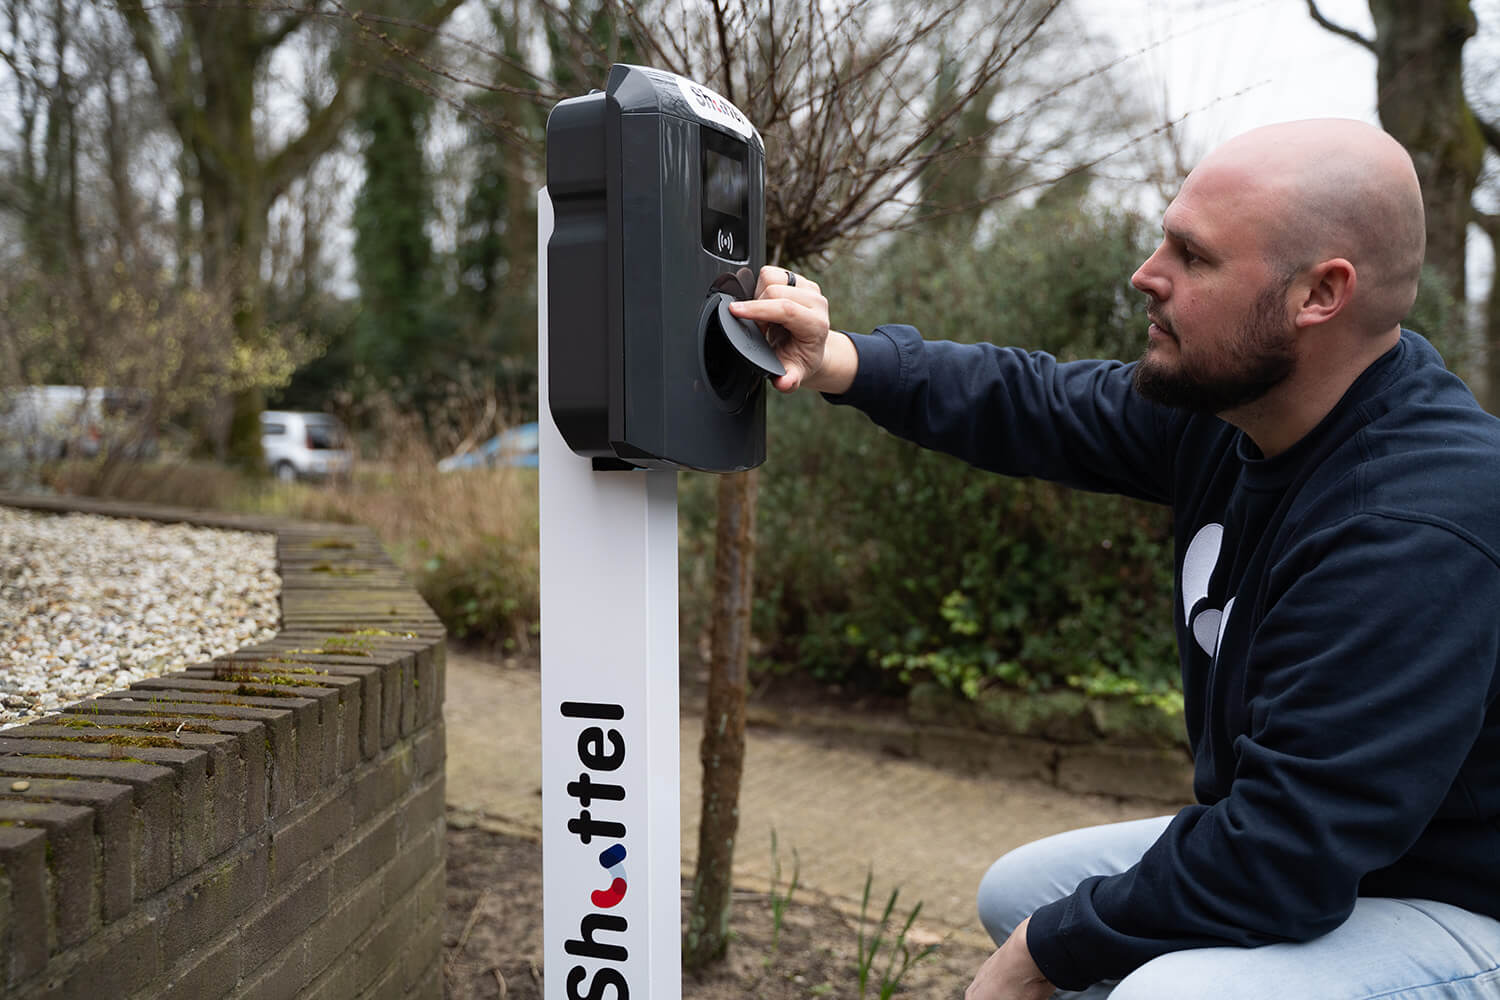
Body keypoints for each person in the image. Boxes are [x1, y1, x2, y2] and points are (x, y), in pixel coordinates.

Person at [728, 118, 1500, 999]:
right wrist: (838, 359)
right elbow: (1040, 404)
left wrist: (1043, 956)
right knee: (1020, 893)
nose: (1148, 274)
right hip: (1345, 859)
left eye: (1193, 256)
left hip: (1459, 903)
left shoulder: (1413, 524)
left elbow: (1286, 852)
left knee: (1160, 991)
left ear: (1319, 294)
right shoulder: (1245, 410)